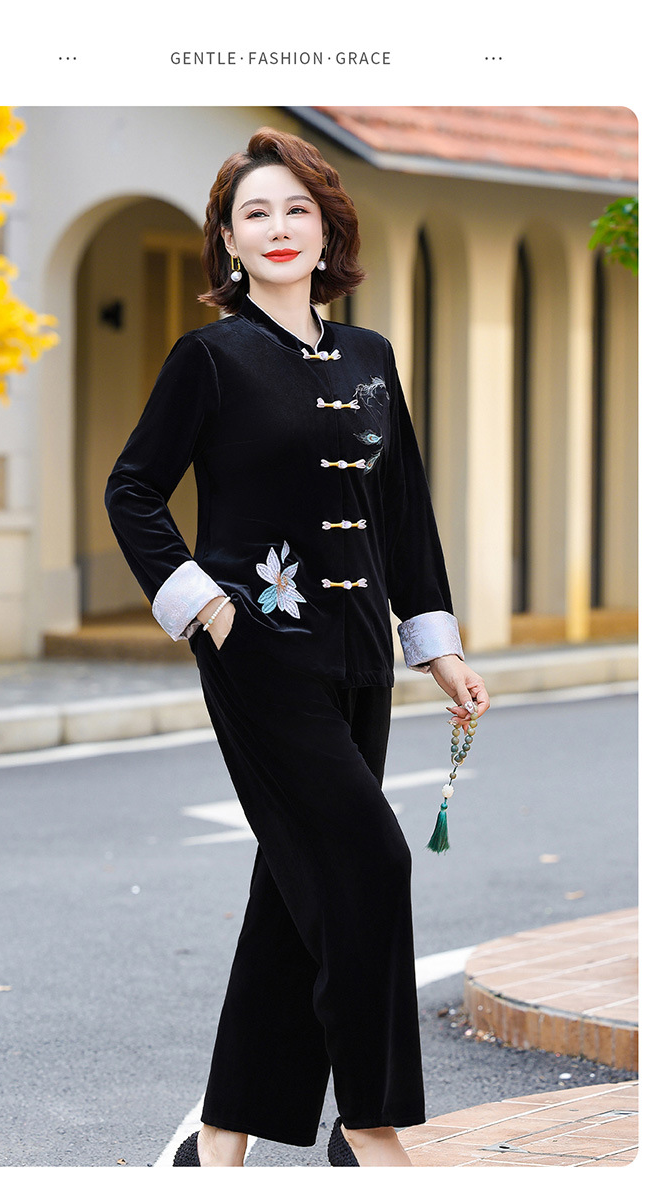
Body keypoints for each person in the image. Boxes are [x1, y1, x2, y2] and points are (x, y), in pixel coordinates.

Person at [105, 127, 489, 1167]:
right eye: (255, 214)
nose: (278, 228)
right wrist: (206, 607)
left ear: (327, 232)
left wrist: (437, 645)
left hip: (363, 659)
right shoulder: (210, 358)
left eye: (296, 210)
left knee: (293, 888)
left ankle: (219, 1137)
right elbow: (132, 489)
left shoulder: (369, 357)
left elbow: (402, 511)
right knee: (370, 860)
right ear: (229, 242)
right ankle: (369, 1125)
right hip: (261, 658)